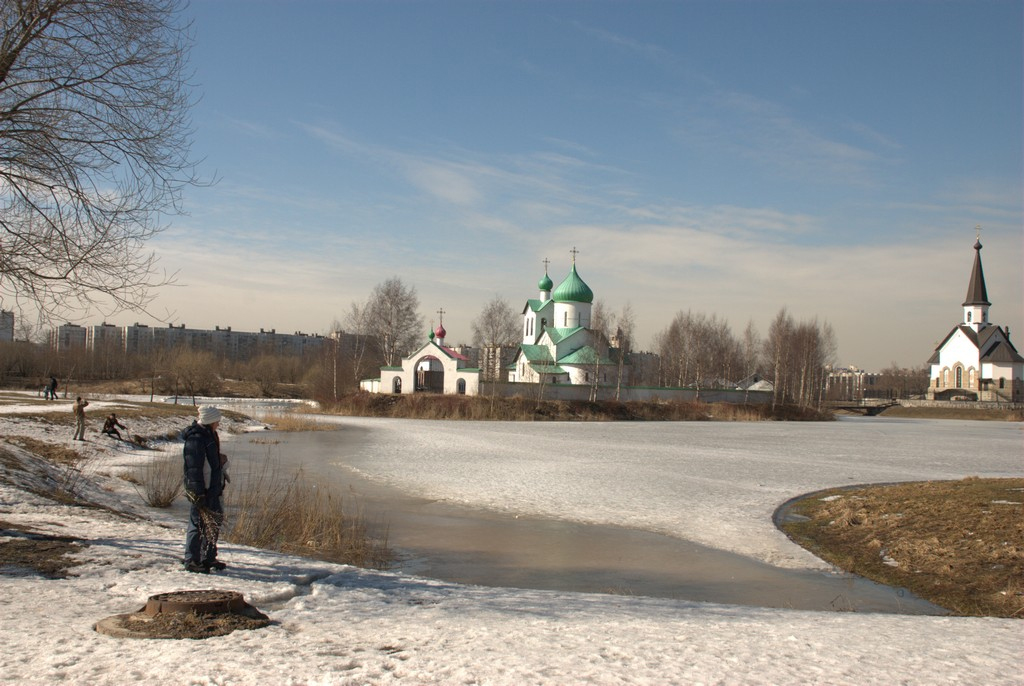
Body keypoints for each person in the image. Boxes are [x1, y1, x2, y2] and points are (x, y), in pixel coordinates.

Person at [182, 405, 228, 573]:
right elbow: (194, 468)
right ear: (210, 420)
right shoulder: (196, 438)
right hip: (202, 490)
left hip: (213, 488)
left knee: (213, 523)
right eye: (217, 420)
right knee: (197, 524)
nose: (218, 424)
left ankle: (208, 558)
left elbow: (210, 463)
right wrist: (197, 492)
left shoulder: (210, 435)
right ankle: (192, 560)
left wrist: (220, 460)